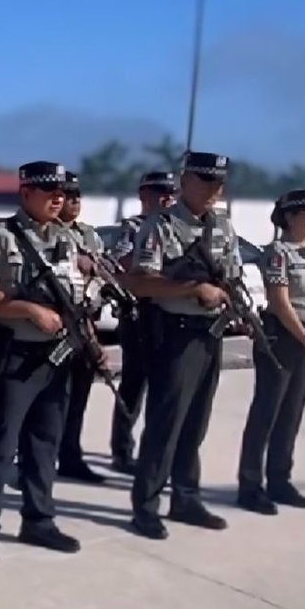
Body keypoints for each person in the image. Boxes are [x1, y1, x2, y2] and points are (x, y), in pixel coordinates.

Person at [0, 161, 85, 565]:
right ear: (26, 193)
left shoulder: (68, 240)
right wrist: (26, 309)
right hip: (13, 352)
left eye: (62, 193)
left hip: (55, 355)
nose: (58, 199)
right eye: (49, 191)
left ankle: (38, 519)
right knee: (2, 442)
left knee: (45, 441)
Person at [124, 151, 243, 539]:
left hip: (210, 333)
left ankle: (186, 497)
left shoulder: (222, 227)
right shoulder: (161, 226)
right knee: (165, 422)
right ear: (185, 180)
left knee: (196, 421)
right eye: (206, 181)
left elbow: (233, 274)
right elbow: (139, 282)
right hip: (174, 332)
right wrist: (192, 288)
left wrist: (235, 302)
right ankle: (146, 505)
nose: (214, 190)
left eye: (219, 183)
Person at [236, 189, 305, 513]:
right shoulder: (279, 253)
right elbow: (280, 302)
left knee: (292, 412)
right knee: (267, 411)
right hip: (281, 336)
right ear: (289, 217)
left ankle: (280, 480)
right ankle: (250, 486)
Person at [108, 171, 177, 474]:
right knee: (134, 385)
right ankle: (122, 450)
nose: (167, 199)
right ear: (143, 196)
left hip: (170, 314)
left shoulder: (174, 229)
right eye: (160, 193)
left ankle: (156, 449)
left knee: (166, 385)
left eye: (170, 193)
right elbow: (117, 263)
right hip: (140, 312)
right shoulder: (133, 229)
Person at [54, 171, 108, 484]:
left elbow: (101, 273)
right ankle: (28, 461)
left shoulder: (89, 235)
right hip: (56, 325)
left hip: (85, 321)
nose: (73, 202)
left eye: (77, 196)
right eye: (67, 195)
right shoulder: (43, 234)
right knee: (47, 400)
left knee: (78, 398)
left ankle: (70, 456)